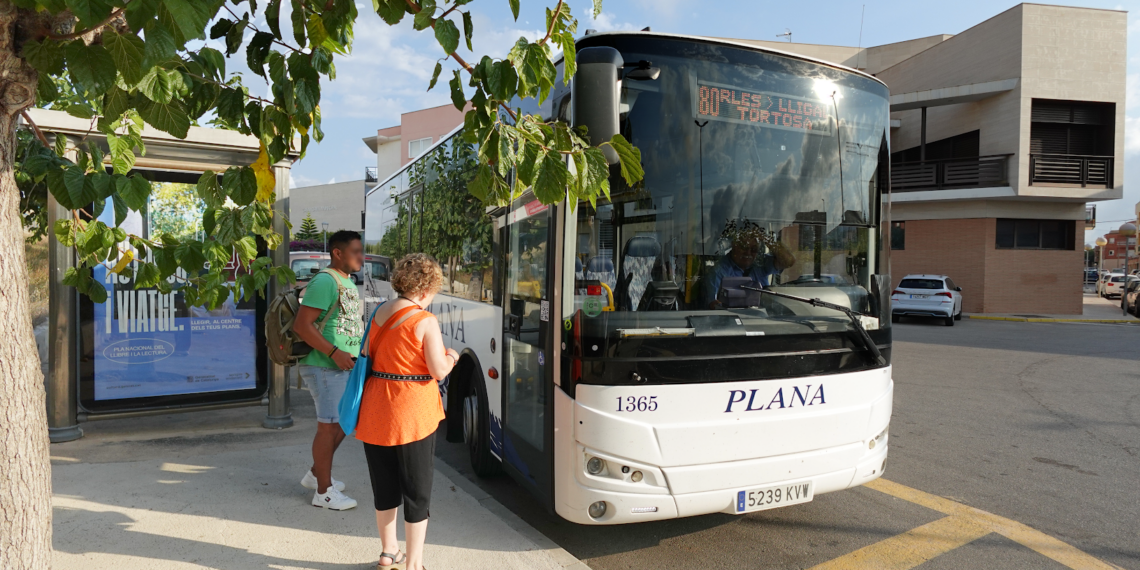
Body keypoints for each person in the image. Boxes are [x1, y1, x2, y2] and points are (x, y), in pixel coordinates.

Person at [356, 253, 458, 570]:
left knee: (384, 485)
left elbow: (366, 354)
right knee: (417, 491)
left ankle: (388, 552)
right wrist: (452, 355)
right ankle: (414, 564)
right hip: (413, 412)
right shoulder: (424, 320)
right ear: (426, 289)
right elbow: (438, 370)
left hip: (376, 409)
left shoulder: (378, 313)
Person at [294, 230, 365, 510]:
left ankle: (316, 475)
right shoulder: (325, 281)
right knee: (328, 427)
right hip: (324, 366)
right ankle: (323, 492)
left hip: (342, 364)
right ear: (338, 252)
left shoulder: (347, 282)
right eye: (356, 251)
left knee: (344, 422)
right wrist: (334, 353)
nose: (361, 256)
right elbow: (302, 325)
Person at [702, 230, 795, 309]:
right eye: (744, 247)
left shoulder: (760, 264)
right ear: (734, 246)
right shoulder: (718, 271)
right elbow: (713, 304)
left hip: (763, 319)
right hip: (734, 322)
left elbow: (788, 261)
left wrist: (767, 240)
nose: (748, 252)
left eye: (754, 249)